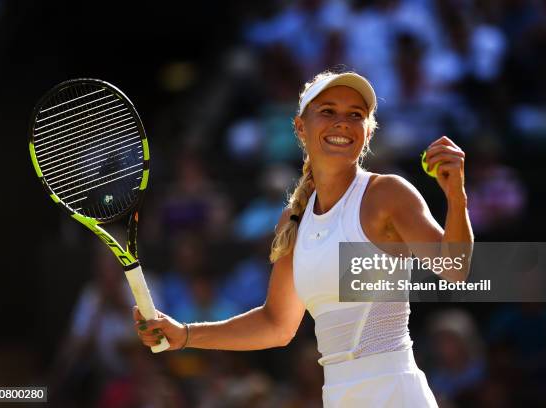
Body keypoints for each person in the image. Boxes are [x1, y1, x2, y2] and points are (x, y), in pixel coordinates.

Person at [133, 71, 473, 407]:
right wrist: (187, 334)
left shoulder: (388, 194)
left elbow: (456, 269)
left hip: (397, 394)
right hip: (338, 398)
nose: (342, 122)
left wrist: (456, 199)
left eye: (355, 115)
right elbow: (276, 325)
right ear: (299, 127)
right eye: (328, 111)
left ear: (367, 132)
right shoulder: (292, 220)